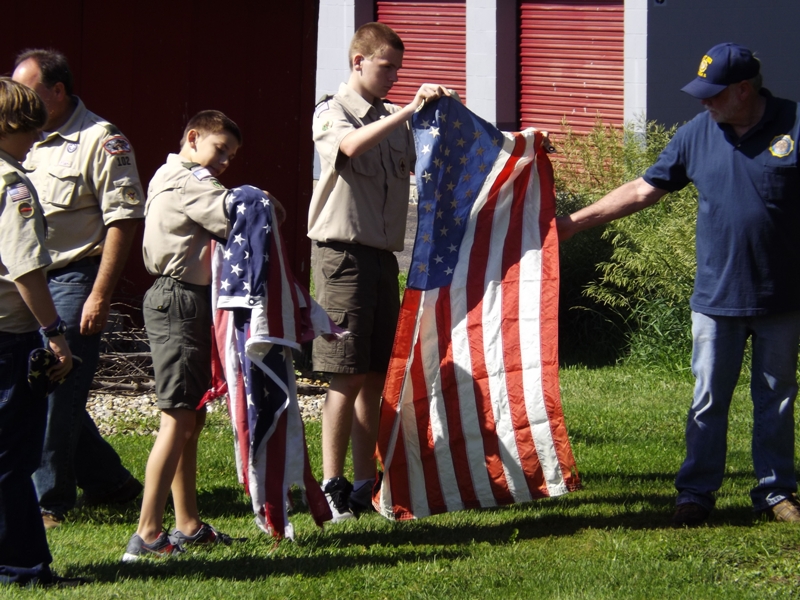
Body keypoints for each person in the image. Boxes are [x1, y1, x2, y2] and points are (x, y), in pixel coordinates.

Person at [557, 43, 800, 526]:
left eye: (714, 93)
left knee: (776, 399)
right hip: (716, 297)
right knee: (708, 399)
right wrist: (571, 224)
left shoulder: (794, 124)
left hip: (782, 296)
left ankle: (775, 493)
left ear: (744, 90)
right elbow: (644, 189)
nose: (703, 102)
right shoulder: (696, 134)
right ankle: (696, 493)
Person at [308, 22, 450, 521]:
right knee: (345, 374)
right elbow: (349, 147)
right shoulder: (332, 111)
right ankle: (332, 484)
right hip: (342, 257)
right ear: (358, 61)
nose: (394, 77)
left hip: (382, 260)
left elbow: (435, 156)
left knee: (373, 376)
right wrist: (410, 110)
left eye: (398, 69)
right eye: (386, 67)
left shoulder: (393, 118)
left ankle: (364, 483)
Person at [11, 49, 143, 528]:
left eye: (28, 90)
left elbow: (123, 219)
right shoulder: (20, 138)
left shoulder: (100, 140)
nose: (20, 99)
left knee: (54, 381)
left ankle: (49, 501)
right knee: (41, 382)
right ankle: (111, 483)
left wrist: (100, 294)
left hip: (74, 277)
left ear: (58, 90)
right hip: (27, 279)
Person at [123, 110, 242, 561]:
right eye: (220, 149)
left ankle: (187, 523)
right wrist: (263, 202)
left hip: (184, 298)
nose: (224, 162)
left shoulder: (174, 173)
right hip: (178, 298)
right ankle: (148, 532)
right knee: (177, 418)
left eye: (230, 156)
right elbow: (237, 218)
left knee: (191, 417)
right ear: (193, 138)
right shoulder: (190, 179)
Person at [0, 77, 85, 587]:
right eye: (30, 126)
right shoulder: (12, 186)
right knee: (12, 458)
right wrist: (54, 332)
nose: (37, 136)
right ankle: (21, 568)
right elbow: (26, 270)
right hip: (7, 335)